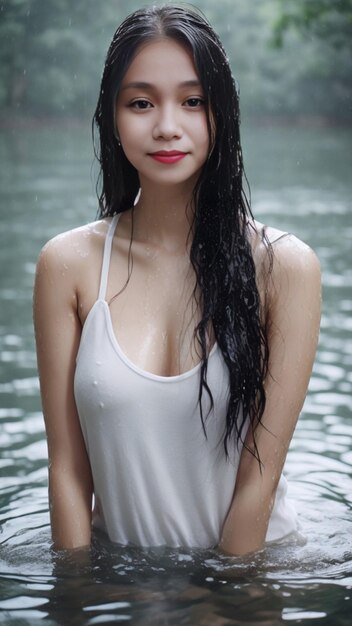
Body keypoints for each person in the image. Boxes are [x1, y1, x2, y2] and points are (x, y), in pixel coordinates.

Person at [33, 4, 321, 556]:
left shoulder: (284, 268)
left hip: (254, 572)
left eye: (193, 101)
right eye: (141, 103)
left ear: (222, 115)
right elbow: (67, 472)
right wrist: (74, 601)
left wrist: (221, 603)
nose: (167, 125)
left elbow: (258, 483)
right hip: (127, 587)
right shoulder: (67, 266)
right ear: (112, 117)